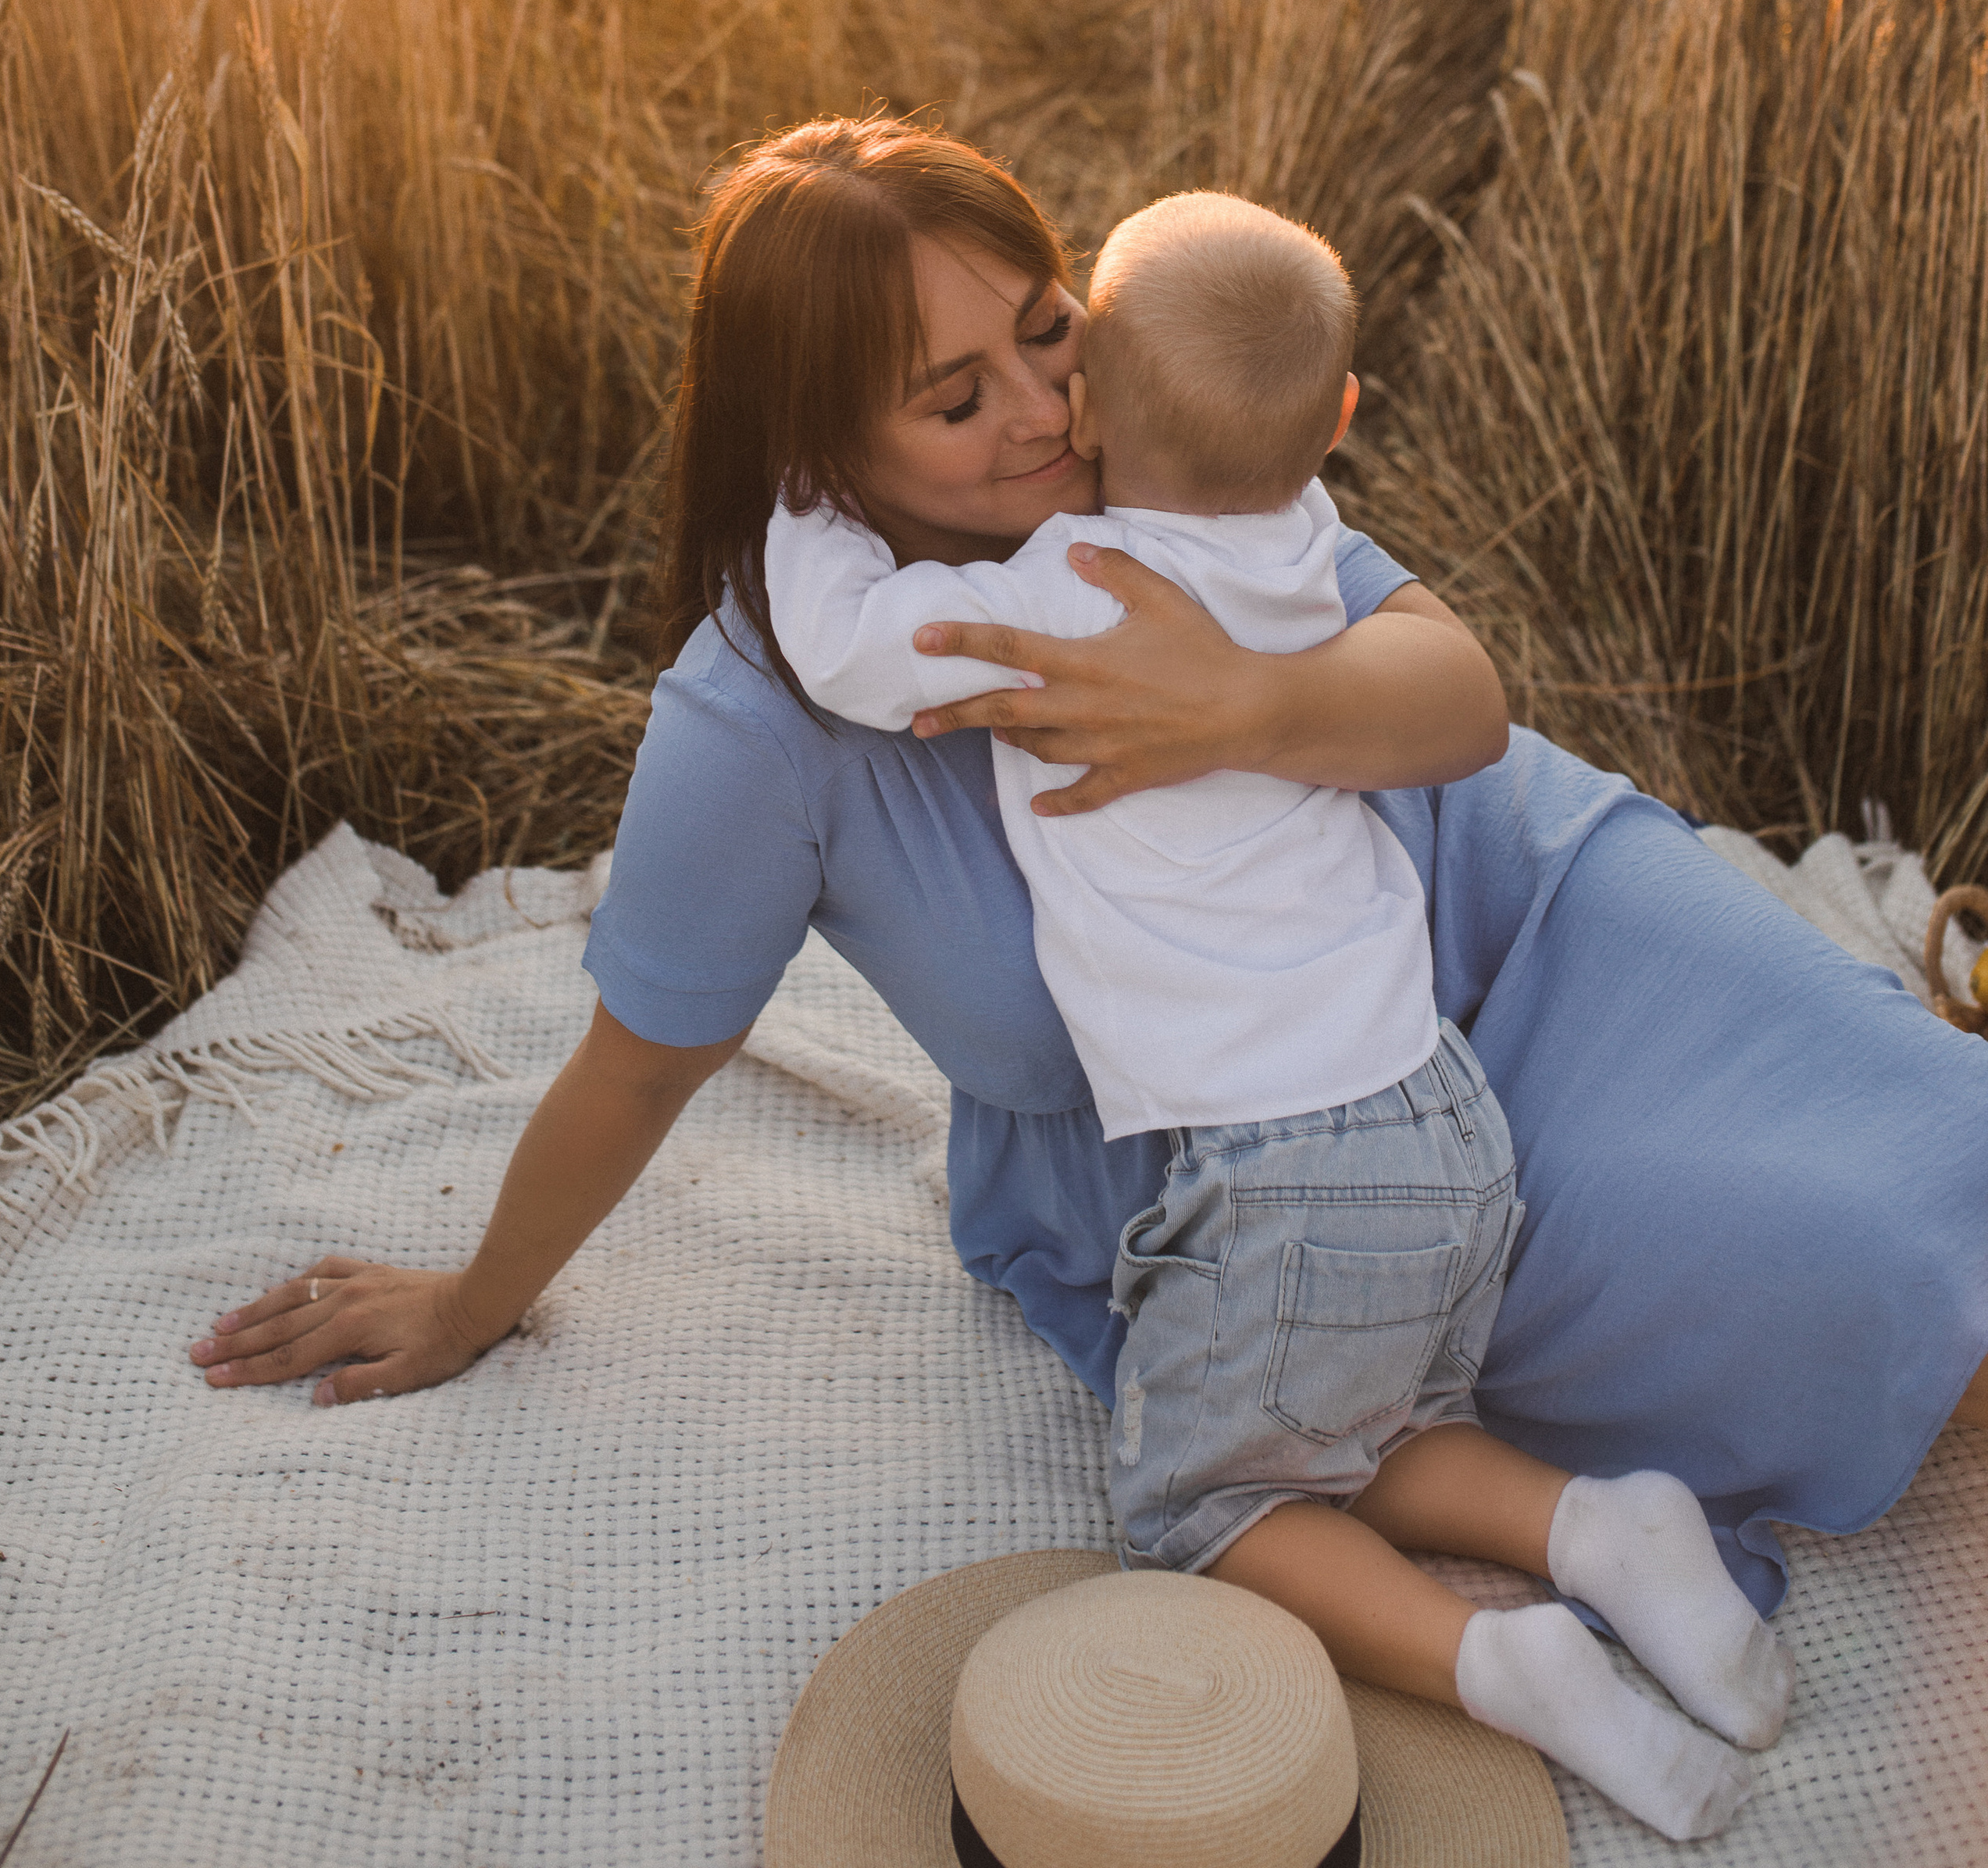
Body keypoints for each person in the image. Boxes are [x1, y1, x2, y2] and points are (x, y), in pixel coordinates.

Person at [191, 115, 1988, 1790]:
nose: (1049, 409)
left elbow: (1460, 700)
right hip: (1271, 1135)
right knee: (1838, 1271)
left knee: (1932, 1155)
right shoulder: (768, 714)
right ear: (821, 453)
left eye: (1051, 333)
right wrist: (469, 1298)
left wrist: (1257, 698)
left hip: (1540, 906)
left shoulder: (1153, 476)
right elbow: (643, 1054)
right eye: (956, 396)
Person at [762, 187, 1785, 1841]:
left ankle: (1506, 1661)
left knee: (1201, 1506)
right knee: (1356, 1433)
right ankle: (1597, 1527)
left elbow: (839, 646)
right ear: (1339, 423)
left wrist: (803, 493)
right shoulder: (1311, 551)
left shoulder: (1063, 589)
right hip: (1442, 1122)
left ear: (1084, 402)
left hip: (1289, 1163)